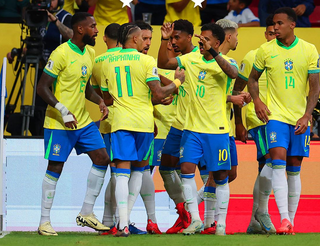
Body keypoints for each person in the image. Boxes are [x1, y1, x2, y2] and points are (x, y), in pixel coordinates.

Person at [100, 23, 185, 237]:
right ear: (134, 39)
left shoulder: (107, 62)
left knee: (120, 173)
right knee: (139, 170)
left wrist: (123, 100)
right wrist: (177, 81)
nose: (145, 42)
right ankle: (125, 220)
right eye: (143, 38)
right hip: (144, 124)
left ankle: (122, 224)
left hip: (120, 122)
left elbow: (107, 97)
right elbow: (158, 92)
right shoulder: (147, 61)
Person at [36, 12, 110, 236]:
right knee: (55, 168)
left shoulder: (89, 52)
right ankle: (44, 222)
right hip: (60, 122)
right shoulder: (61, 53)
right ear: (80, 29)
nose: (97, 30)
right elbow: (42, 87)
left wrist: (99, 102)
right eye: (93, 26)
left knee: (102, 158)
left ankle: (86, 213)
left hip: (83, 122)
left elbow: (85, 86)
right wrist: (63, 111)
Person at [248, 7, 320, 234]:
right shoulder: (265, 50)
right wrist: (258, 101)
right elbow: (252, 79)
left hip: (299, 117)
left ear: (292, 25)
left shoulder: (309, 50)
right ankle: (284, 219)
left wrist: (308, 115)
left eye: (279, 24)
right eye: (274, 24)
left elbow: (315, 86)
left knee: (294, 169)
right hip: (275, 117)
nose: (275, 27)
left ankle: (291, 221)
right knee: (277, 161)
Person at [177, 23, 238, 235]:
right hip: (192, 129)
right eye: (200, 38)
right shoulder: (190, 59)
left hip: (218, 129)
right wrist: (167, 39)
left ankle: (220, 223)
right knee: (185, 171)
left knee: (222, 176)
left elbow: (233, 74)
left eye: (206, 39)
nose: (200, 41)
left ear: (218, 43)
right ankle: (195, 219)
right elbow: (163, 61)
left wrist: (212, 52)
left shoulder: (228, 62)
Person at [233, 14, 276, 234]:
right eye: (270, 32)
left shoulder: (287, 57)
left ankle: (254, 221)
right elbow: (237, 88)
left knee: (265, 168)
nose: (273, 36)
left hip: (281, 118)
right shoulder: (252, 56)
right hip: (258, 119)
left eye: (276, 33)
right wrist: (239, 123)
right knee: (271, 161)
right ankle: (262, 211)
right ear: (265, 33)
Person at [157, 19, 198, 234]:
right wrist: (164, 39)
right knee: (166, 167)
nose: (174, 41)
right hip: (178, 124)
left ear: (190, 37)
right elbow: (163, 61)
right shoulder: (182, 60)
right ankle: (185, 213)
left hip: (198, 125)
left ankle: (202, 216)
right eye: (171, 38)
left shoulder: (199, 58)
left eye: (176, 37)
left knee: (206, 173)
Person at [91, 23, 122, 236]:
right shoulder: (132, 57)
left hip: (106, 122)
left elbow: (95, 92)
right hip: (129, 123)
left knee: (113, 172)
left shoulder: (96, 62)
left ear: (104, 38)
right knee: (123, 173)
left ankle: (106, 219)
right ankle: (121, 221)